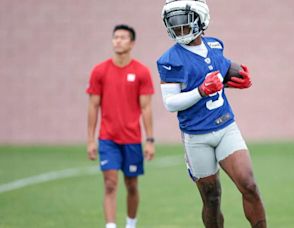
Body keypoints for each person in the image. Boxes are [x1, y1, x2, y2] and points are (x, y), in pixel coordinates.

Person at [157, 0, 267, 227]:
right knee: (212, 198)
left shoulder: (215, 46)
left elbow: (219, 72)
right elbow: (170, 103)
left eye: (184, 22)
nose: (179, 28)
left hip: (226, 126)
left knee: (249, 185)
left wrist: (236, 79)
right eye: (174, 23)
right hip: (196, 136)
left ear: (201, 19)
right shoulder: (169, 60)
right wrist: (200, 90)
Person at [86, 24, 155, 228]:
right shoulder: (100, 71)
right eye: (115, 37)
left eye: (123, 37)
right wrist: (90, 139)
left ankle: (130, 225)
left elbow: (146, 108)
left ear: (132, 43)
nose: (118, 40)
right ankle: (110, 226)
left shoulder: (141, 72)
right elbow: (93, 106)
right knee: (110, 183)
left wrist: (150, 140)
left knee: (132, 185)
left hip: (132, 139)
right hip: (107, 138)